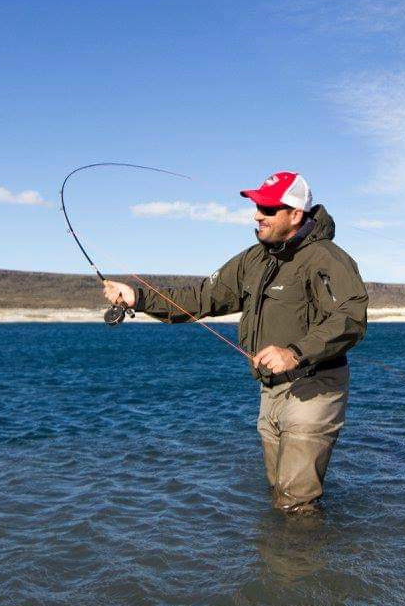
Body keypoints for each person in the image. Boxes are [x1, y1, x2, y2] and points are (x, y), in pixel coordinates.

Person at [104, 171, 368, 513]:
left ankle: (306, 548)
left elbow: (350, 317)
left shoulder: (327, 259)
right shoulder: (253, 259)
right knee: (279, 492)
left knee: (296, 501)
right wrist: (138, 298)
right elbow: (200, 297)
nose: (257, 215)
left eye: (268, 209)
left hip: (315, 387)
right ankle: (291, 547)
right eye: (257, 207)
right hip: (270, 391)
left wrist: (295, 353)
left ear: (295, 214)